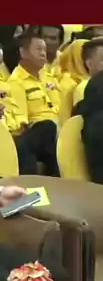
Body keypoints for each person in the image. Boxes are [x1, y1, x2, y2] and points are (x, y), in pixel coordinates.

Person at [8, 30, 60, 175]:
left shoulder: (49, 78)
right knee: (46, 127)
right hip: (39, 131)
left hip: (59, 129)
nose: (43, 53)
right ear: (23, 52)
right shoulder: (16, 82)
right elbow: (22, 122)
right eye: (38, 49)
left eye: (44, 49)